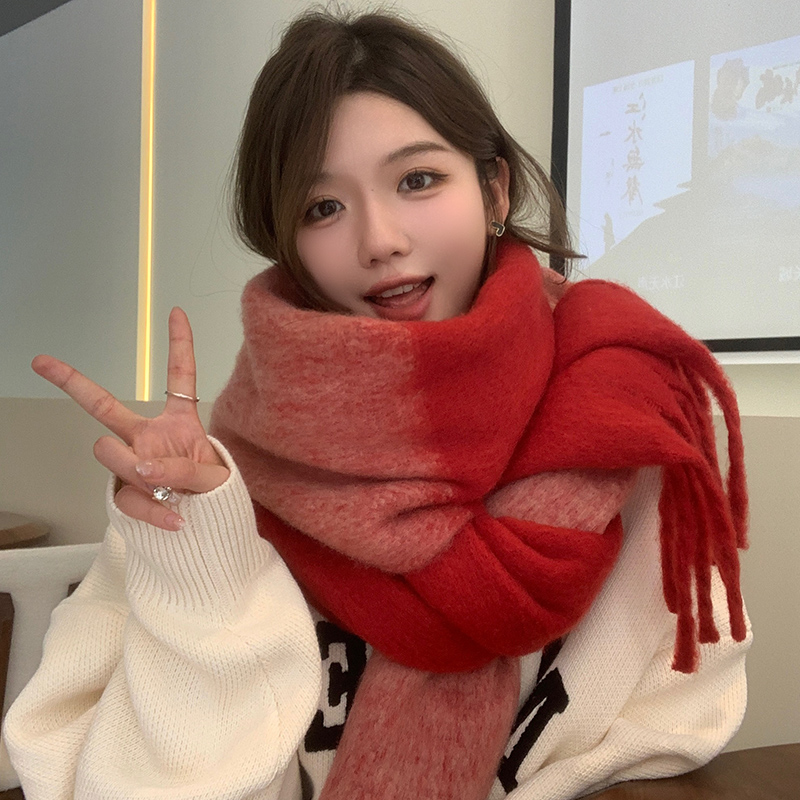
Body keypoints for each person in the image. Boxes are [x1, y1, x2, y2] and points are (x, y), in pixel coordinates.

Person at [4, 9, 751, 800]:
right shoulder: (208, 479)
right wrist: (202, 562)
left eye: (418, 180)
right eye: (322, 208)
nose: (380, 240)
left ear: (494, 188)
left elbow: (674, 721)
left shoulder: (631, 409)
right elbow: (109, 778)